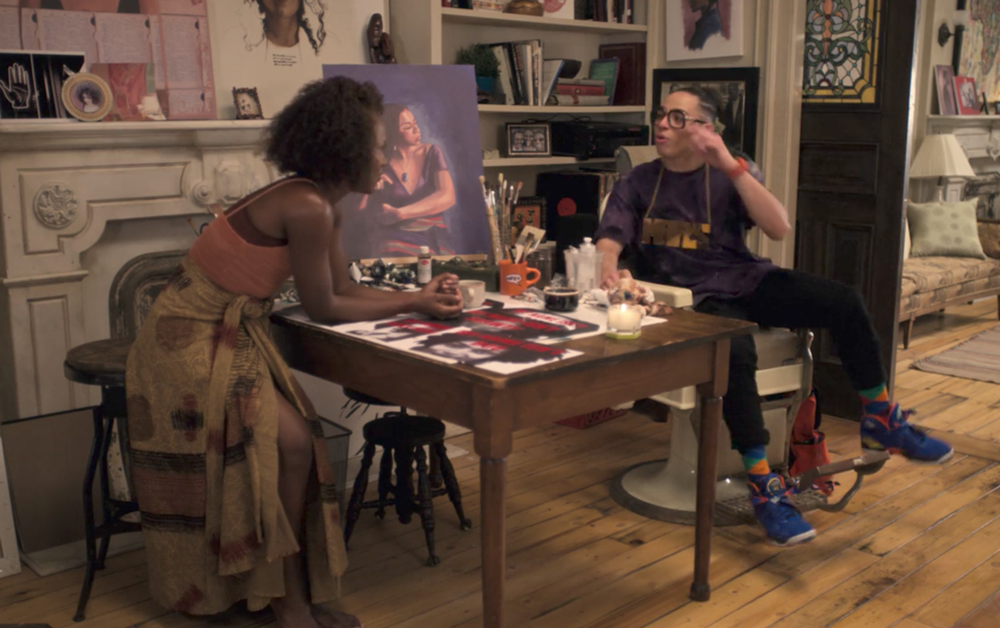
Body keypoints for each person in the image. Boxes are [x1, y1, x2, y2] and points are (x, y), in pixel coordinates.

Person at [125, 77, 463, 628]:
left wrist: (419, 298)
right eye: (377, 146)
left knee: (297, 446)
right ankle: (288, 602)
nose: (384, 158)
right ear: (344, 150)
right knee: (294, 444)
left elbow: (343, 288)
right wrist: (414, 301)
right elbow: (326, 307)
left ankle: (288, 594)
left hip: (222, 333)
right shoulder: (306, 206)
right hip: (185, 340)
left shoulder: (321, 203)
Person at [594, 86, 954, 547]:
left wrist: (729, 164)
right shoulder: (638, 182)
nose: (662, 124)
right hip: (691, 299)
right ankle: (764, 485)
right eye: (661, 114)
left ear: (706, 129)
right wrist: (609, 267)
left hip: (746, 279)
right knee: (736, 350)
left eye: (677, 117)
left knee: (844, 301)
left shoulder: (732, 171)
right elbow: (610, 240)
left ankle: (880, 416)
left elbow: (778, 227)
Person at [358, 104, 457, 257]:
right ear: (392, 131)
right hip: (395, 239)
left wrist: (400, 213)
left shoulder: (431, 152)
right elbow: (360, 210)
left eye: (415, 123)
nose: (416, 130)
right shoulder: (381, 161)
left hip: (433, 236)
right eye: (407, 127)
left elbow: (447, 196)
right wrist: (369, 186)